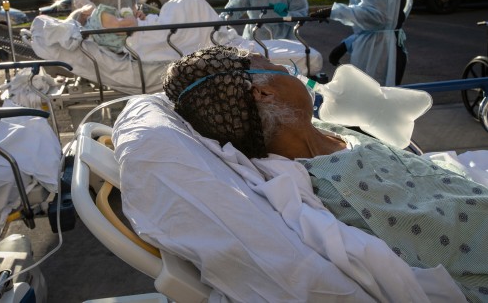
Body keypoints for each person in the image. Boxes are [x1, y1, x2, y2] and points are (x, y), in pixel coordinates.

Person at [162, 44, 488, 302]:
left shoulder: (322, 128)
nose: (296, 72)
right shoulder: (337, 187)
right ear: (263, 93)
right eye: (280, 67)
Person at [69, 3, 137, 53]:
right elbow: (130, 25)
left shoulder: (92, 35)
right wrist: (127, 12)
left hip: (134, 46)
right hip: (140, 38)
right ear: (84, 12)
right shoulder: (97, 16)